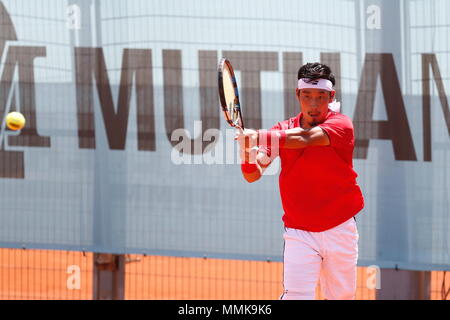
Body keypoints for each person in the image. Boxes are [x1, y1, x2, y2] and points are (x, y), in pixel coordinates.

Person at [235, 62, 364, 300]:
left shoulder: (341, 125)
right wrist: (247, 153)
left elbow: (304, 139)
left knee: (341, 298)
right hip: (299, 232)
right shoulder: (282, 129)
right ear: (298, 95)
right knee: (295, 296)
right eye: (307, 96)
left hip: (340, 229)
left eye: (320, 97)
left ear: (331, 96)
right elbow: (253, 174)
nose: (314, 105)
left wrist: (258, 135)